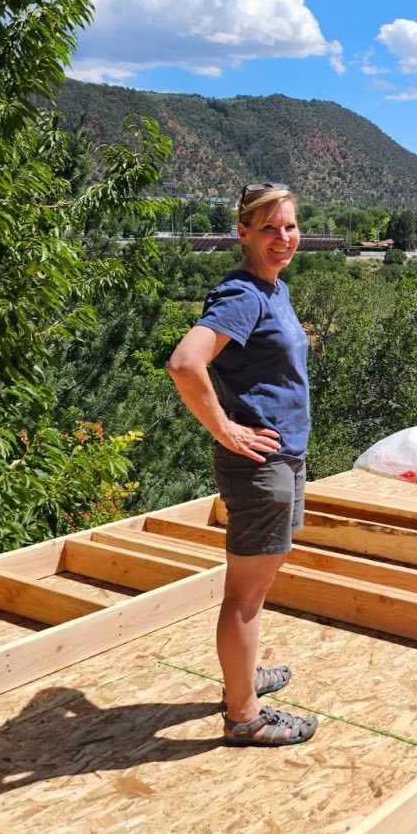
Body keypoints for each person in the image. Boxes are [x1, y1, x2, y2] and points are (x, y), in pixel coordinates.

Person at [167, 183, 318, 747]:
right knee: (245, 596)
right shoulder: (242, 295)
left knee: (258, 585)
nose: (283, 239)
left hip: (284, 459)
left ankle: (242, 675)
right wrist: (226, 428)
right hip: (260, 466)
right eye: (270, 229)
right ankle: (244, 714)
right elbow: (186, 364)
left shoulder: (270, 289)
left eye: (290, 227)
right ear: (243, 232)